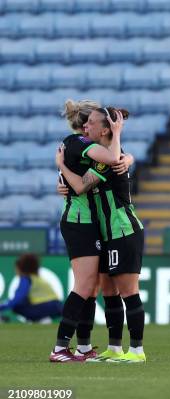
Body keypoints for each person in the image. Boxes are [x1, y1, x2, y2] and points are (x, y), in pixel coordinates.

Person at [57, 107, 147, 363]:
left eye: (92, 124)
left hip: (123, 229)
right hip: (106, 232)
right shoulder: (107, 156)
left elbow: (81, 184)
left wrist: (62, 166)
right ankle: (115, 348)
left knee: (129, 291)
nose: (86, 127)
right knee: (109, 291)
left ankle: (137, 351)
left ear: (106, 129)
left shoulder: (110, 160)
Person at [0, 254, 62, 322]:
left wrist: (1, 307)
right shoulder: (37, 278)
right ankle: (42, 319)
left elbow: (17, 298)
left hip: (46, 307)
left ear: (20, 268)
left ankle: (40, 320)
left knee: (16, 306)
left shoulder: (26, 278)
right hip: (56, 306)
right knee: (24, 301)